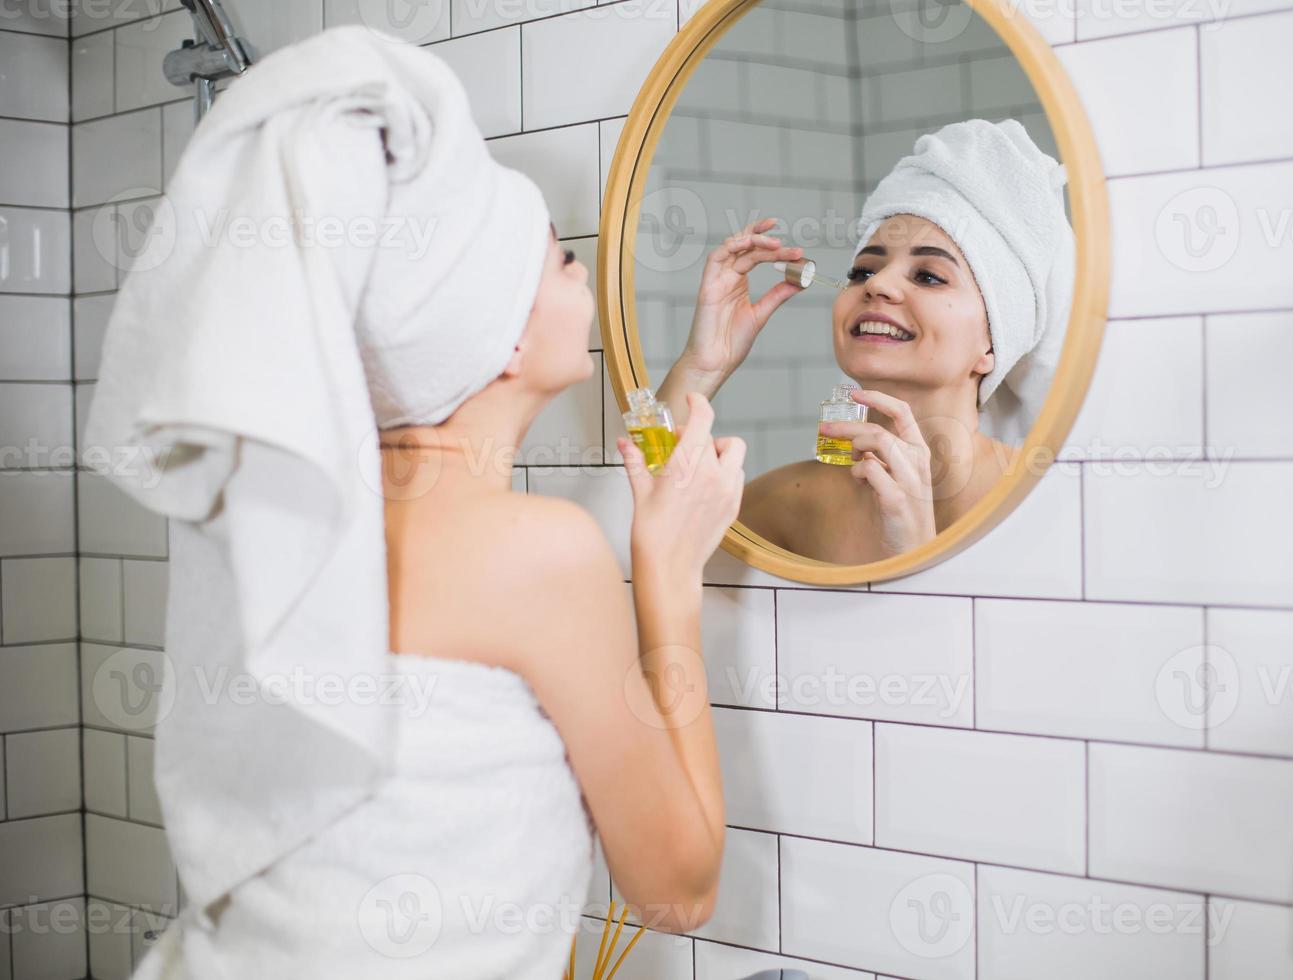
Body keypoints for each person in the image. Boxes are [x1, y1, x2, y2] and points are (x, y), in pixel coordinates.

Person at [84, 26, 737, 979]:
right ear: (499, 337)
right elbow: (680, 890)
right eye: (558, 259)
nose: (582, 274)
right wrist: (671, 577)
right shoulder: (537, 553)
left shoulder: (279, 529)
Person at [656, 118, 1075, 563]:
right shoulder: (794, 503)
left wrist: (914, 552)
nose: (878, 286)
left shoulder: (1046, 502)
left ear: (993, 346)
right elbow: (659, 526)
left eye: (929, 276)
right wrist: (704, 363)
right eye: (863, 271)